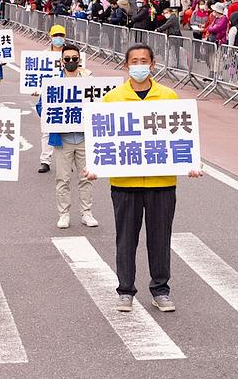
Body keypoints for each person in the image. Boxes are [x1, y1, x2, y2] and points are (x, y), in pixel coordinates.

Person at [83, 45, 203, 313]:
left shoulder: (168, 97)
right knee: (126, 240)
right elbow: (101, 139)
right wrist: (95, 166)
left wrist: (191, 163)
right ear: (126, 66)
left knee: (160, 240)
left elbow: (182, 136)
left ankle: (160, 290)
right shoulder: (113, 99)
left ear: (153, 64)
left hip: (162, 183)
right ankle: (125, 291)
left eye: (144, 61)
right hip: (125, 184)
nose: (139, 65)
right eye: (134, 61)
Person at [40, 43, 97, 229]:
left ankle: (86, 213)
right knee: (62, 179)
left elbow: (100, 103)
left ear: (79, 60)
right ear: (61, 60)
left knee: (86, 178)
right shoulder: (53, 82)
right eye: (67, 59)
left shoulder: (89, 80)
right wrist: (50, 116)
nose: (71, 61)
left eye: (74, 58)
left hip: (84, 138)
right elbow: (41, 106)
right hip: (62, 139)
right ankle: (63, 214)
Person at [37, 25, 68, 173]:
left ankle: (67, 161)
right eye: (56, 35)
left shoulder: (70, 55)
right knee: (46, 129)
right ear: (50, 36)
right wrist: (35, 89)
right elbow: (36, 76)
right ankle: (45, 160)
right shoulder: (44, 55)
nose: (58, 38)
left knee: (68, 129)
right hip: (48, 95)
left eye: (61, 35)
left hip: (67, 96)